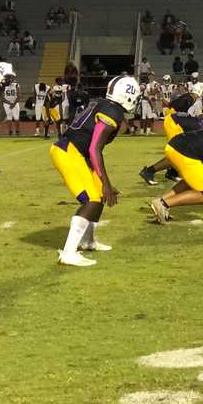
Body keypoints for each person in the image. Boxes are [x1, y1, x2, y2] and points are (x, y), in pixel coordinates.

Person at [49, 76, 138, 266]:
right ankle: (68, 253)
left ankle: (88, 241)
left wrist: (105, 183)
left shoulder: (104, 104)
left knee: (99, 194)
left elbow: (90, 149)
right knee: (92, 198)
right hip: (69, 152)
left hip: (76, 152)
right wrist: (105, 183)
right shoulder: (112, 112)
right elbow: (94, 149)